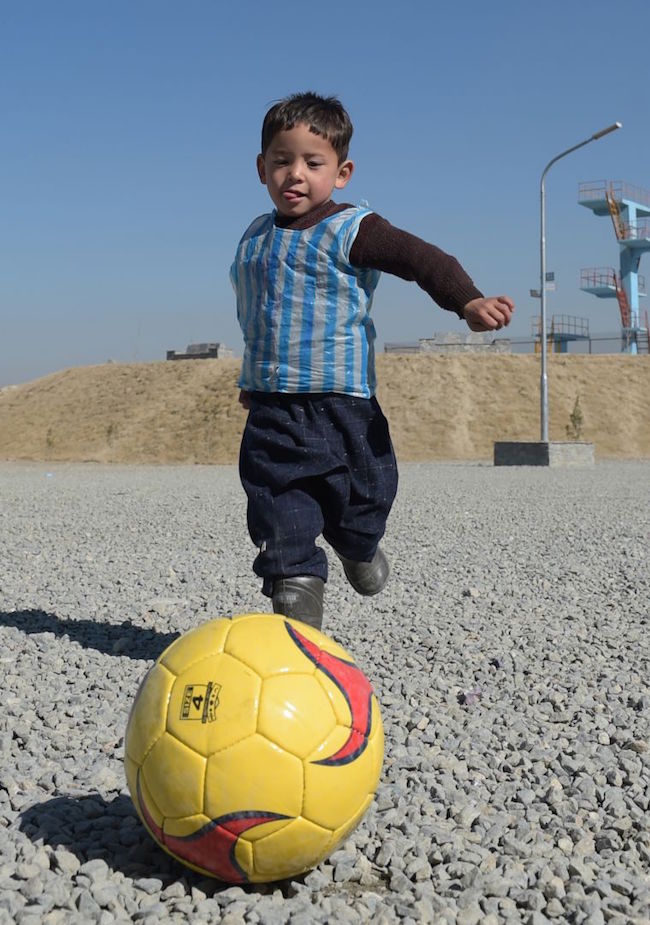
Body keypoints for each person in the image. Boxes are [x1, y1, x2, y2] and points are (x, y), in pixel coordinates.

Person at [231, 91, 514, 631]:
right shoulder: (254, 237)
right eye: (281, 161)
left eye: (313, 163)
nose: (295, 174)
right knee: (280, 512)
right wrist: (254, 378)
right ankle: (298, 621)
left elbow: (421, 259)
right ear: (261, 167)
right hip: (273, 409)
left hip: (342, 407)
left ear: (341, 172)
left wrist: (467, 301)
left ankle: (358, 544)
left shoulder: (351, 228)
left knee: (363, 499)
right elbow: (259, 315)